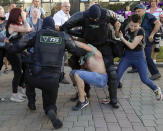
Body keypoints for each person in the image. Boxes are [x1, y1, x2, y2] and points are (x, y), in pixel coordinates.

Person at [4, 16, 87, 129]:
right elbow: (76, 51)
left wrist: (8, 44)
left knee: (28, 78)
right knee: (50, 104)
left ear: (43, 26)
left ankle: (31, 103)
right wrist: (87, 50)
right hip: (52, 79)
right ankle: (50, 111)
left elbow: (17, 47)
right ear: (53, 27)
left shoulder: (36, 34)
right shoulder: (63, 37)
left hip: (35, 76)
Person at [61, 4, 121, 108]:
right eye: (92, 18)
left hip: (104, 46)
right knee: (76, 65)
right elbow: (65, 27)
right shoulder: (81, 16)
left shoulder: (107, 14)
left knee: (111, 71)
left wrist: (116, 29)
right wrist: (73, 37)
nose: (94, 20)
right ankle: (83, 93)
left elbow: (119, 23)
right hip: (88, 45)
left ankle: (113, 99)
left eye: (96, 18)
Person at [116, 14, 162, 101]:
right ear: (129, 22)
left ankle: (156, 89)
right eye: (131, 25)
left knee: (144, 79)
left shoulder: (141, 31)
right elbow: (117, 34)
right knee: (117, 75)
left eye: (135, 26)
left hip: (138, 56)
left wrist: (122, 38)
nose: (132, 28)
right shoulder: (126, 26)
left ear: (139, 24)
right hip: (127, 56)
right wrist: (117, 29)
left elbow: (132, 46)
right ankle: (112, 96)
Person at [5, 8, 33, 102]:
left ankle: (21, 88)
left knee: (26, 67)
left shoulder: (16, 25)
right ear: (16, 16)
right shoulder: (12, 25)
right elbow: (28, 29)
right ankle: (14, 94)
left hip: (19, 51)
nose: (22, 17)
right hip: (12, 52)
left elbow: (27, 29)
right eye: (20, 15)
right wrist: (25, 19)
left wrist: (24, 21)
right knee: (18, 72)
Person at [70, 41, 108, 111]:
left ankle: (82, 101)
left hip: (101, 78)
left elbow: (84, 46)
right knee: (72, 73)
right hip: (94, 76)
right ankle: (82, 93)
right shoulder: (83, 57)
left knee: (77, 74)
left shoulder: (94, 51)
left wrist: (71, 41)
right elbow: (82, 73)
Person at [135, 4, 161, 80]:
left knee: (147, 57)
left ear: (144, 10)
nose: (137, 12)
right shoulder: (138, 18)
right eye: (136, 11)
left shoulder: (148, 15)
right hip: (141, 41)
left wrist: (152, 35)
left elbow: (158, 24)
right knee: (136, 54)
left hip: (148, 41)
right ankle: (136, 68)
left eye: (139, 11)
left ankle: (156, 73)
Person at [53, 1, 71, 84]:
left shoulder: (68, 15)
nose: (67, 8)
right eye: (65, 6)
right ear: (61, 7)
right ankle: (61, 76)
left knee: (64, 56)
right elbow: (56, 27)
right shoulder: (58, 15)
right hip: (60, 40)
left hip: (66, 39)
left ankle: (56, 72)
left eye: (68, 6)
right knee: (62, 57)